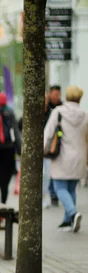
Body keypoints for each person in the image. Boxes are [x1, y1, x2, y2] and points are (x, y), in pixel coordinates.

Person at [44, 85, 88, 233]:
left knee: (59, 187)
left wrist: (42, 150)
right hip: (79, 156)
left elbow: (48, 133)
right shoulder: (84, 114)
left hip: (62, 155)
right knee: (71, 188)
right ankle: (68, 221)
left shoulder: (58, 112)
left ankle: (73, 213)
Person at [45, 85, 64, 207]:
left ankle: (54, 193)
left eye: (59, 94)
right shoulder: (46, 107)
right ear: (50, 94)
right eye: (55, 94)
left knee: (55, 168)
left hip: (59, 141)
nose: (57, 96)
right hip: (47, 142)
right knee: (48, 170)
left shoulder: (62, 107)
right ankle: (52, 193)